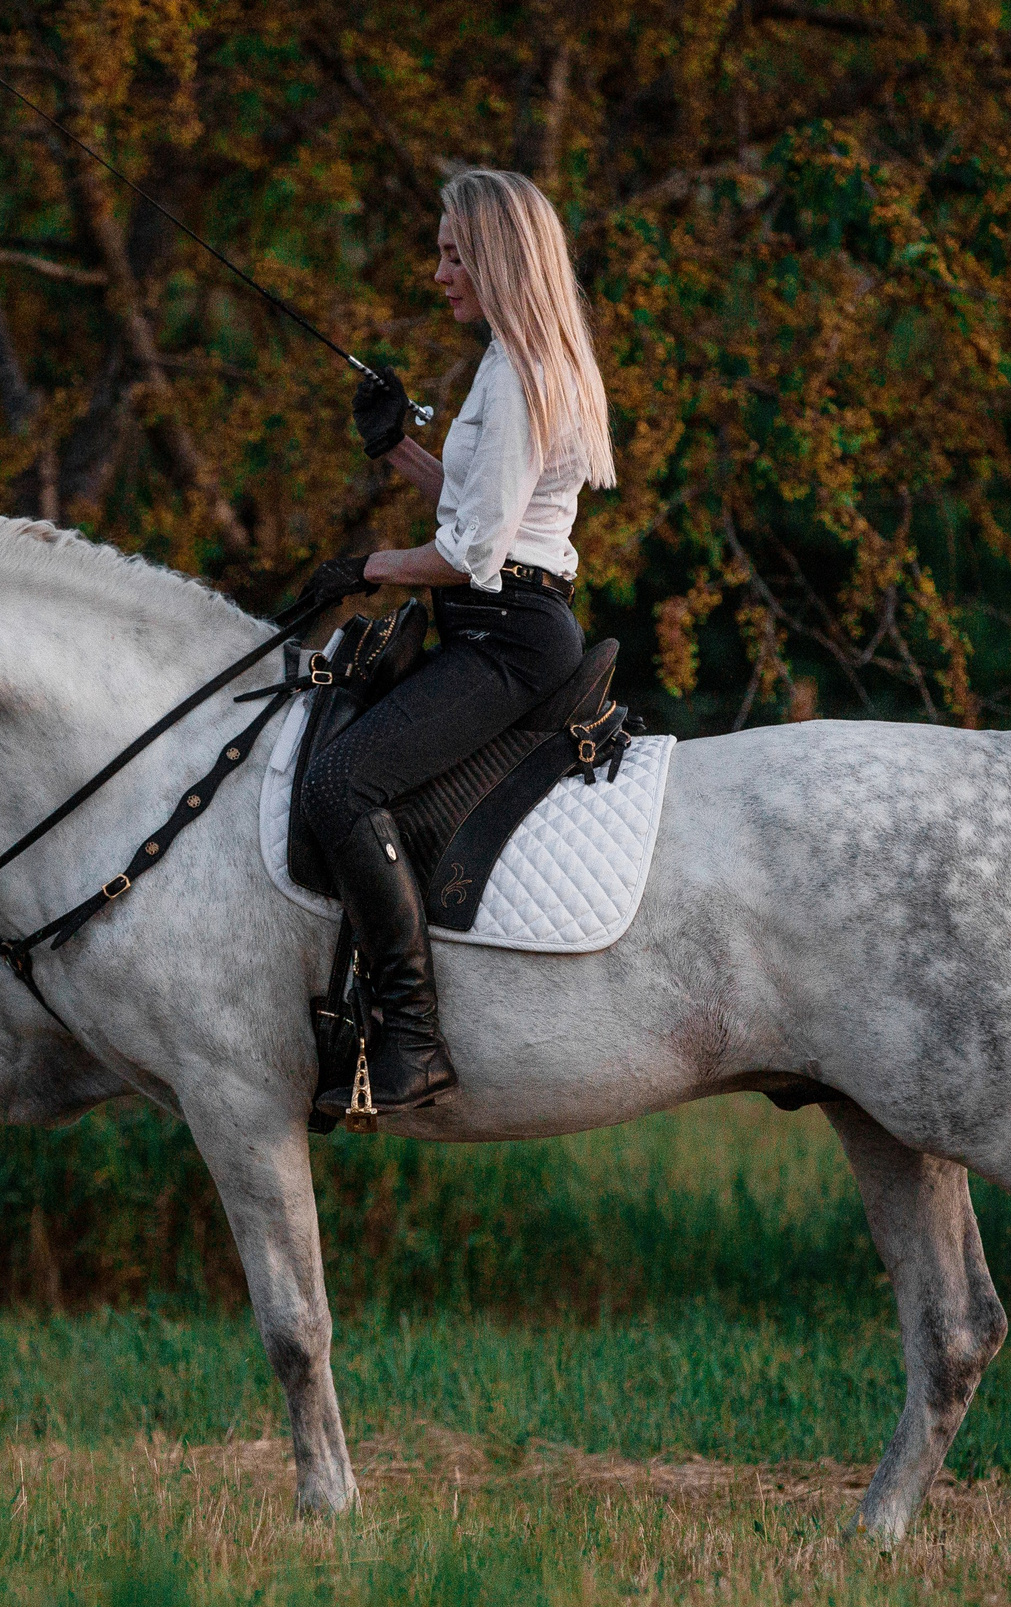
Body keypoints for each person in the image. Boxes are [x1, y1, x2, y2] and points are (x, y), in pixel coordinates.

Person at [298, 166, 619, 1117]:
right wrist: (398, 448)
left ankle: (414, 1037)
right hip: (498, 619)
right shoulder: (505, 363)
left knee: (338, 784)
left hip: (509, 638)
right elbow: (486, 512)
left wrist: (369, 567)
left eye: (451, 252)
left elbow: (473, 549)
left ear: (495, 255)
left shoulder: (519, 374)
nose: (437, 271)